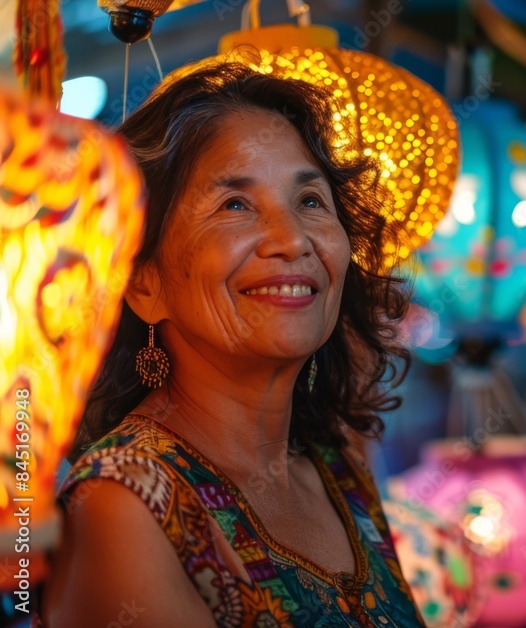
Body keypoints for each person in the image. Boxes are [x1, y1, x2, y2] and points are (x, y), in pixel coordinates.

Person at [37, 61, 424, 626]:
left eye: (311, 201)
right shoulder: (123, 506)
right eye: (234, 205)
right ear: (143, 282)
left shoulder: (338, 473)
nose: (293, 240)